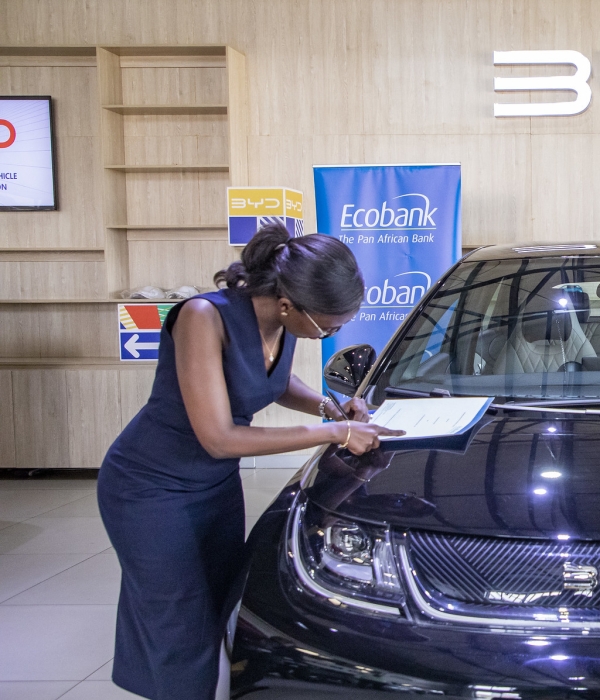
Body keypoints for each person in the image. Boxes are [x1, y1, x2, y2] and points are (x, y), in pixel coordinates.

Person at [97, 224, 402, 700]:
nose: (333, 333)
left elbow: (274, 383)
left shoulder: (283, 321)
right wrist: (334, 432)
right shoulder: (203, 317)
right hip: (149, 486)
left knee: (218, 602)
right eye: (330, 326)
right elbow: (218, 437)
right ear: (288, 302)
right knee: (178, 615)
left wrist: (330, 406)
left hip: (213, 484)